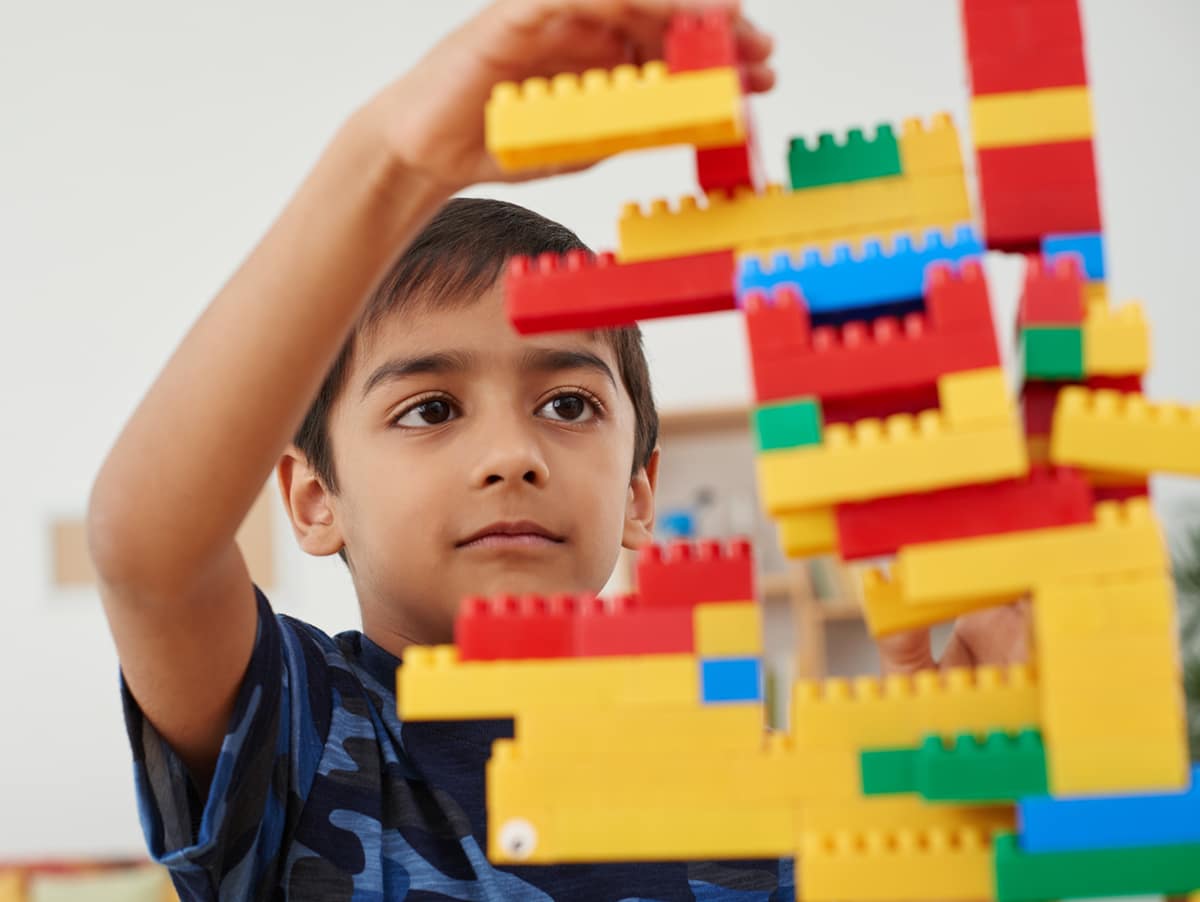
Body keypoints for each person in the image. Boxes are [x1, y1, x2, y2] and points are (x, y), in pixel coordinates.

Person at [88, 1, 793, 897]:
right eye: (428, 410)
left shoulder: (756, 778)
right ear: (314, 500)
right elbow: (147, 556)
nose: (512, 455)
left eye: (568, 402)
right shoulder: (305, 733)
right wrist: (392, 158)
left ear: (639, 495)